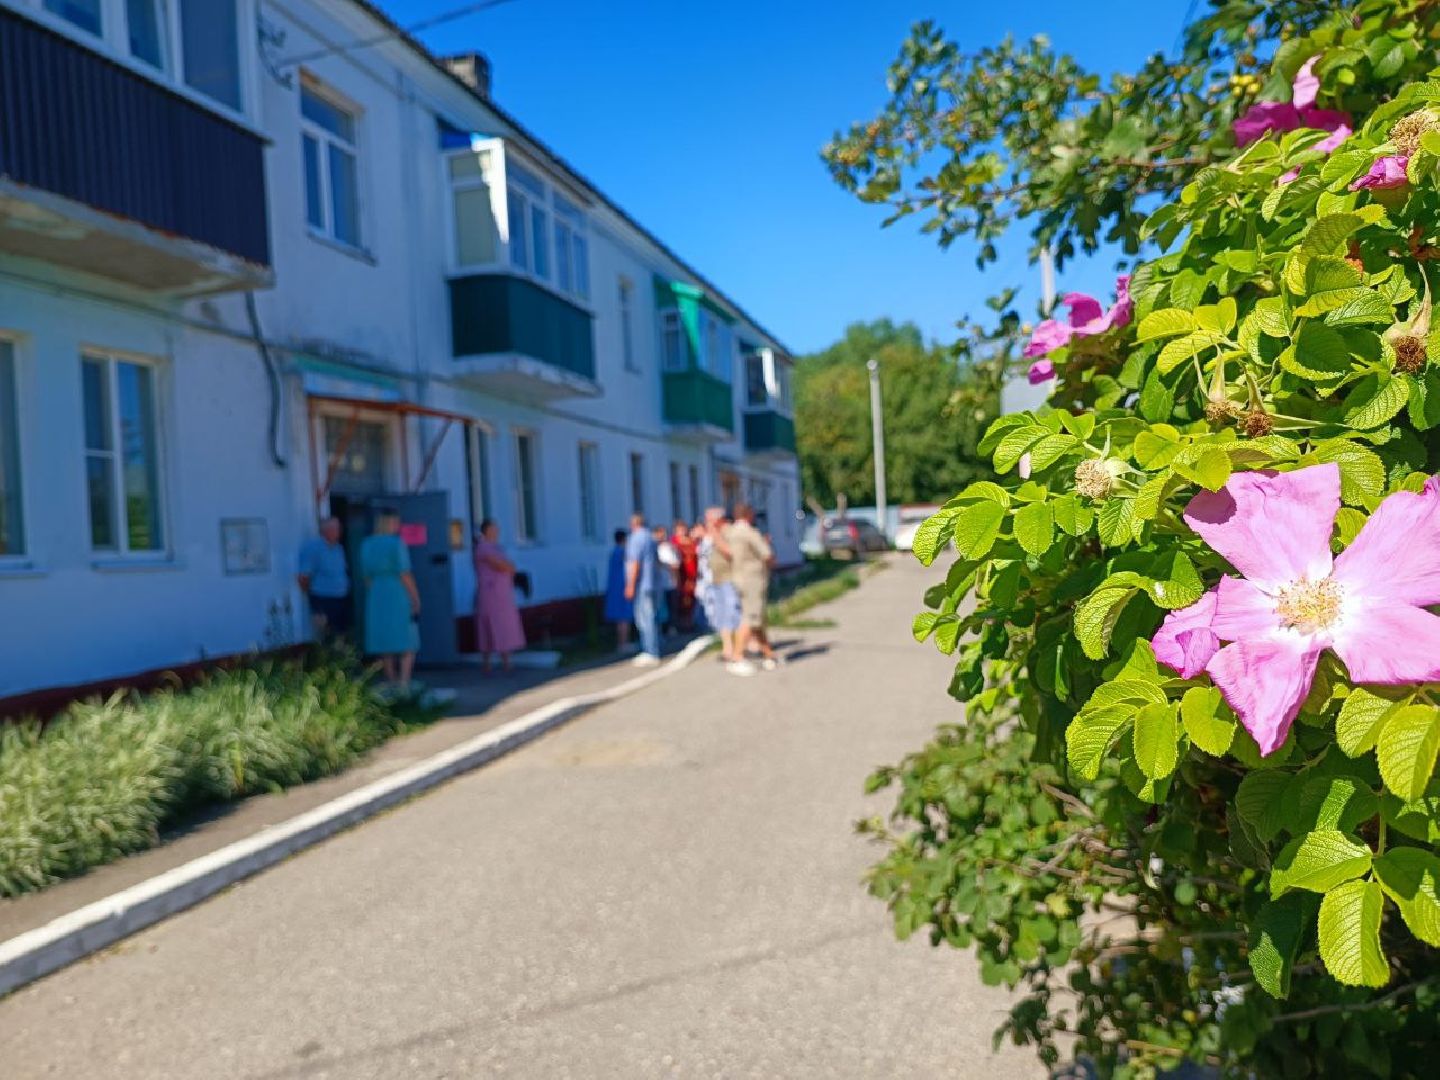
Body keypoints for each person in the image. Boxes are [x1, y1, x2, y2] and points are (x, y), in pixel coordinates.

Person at [359, 508, 420, 690]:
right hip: (397, 591)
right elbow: (404, 573)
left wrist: (376, 591)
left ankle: (391, 679)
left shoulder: (367, 544)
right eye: (396, 522)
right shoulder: (397, 543)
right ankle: (404, 681)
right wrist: (415, 597)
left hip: (377, 593)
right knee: (408, 637)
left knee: (384, 638)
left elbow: (366, 576)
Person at [727, 502, 778, 674]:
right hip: (753, 579)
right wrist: (772, 561)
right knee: (751, 618)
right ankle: (737, 656)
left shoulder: (732, 532)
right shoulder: (749, 532)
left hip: (739, 577)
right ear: (748, 515)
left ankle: (769, 654)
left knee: (758, 619)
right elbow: (766, 554)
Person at [473, 519, 526, 673]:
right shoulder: (483, 547)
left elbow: (509, 565)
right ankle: (487, 664)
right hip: (490, 593)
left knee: (503, 626)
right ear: (487, 531)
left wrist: (509, 566)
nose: (497, 531)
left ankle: (506, 662)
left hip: (502, 594)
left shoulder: (496, 547)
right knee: (489, 626)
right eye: (494, 529)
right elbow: (501, 565)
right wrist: (508, 566)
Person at [700, 507, 745, 672]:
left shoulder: (729, 531)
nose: (706, 522)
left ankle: (739, 649)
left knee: (733, 614)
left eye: (709, 519)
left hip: (729, 579)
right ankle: (727, 648)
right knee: (721, 616)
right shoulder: (715, 534)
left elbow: (729, 552)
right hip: (716, 579)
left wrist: (714, 535)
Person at [297, 516, 351, 639]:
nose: (338, 531)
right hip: (322, 599)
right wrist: (312, 594)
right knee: (324, 633)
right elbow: (303, 576)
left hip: (340, 598)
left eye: (338, 528)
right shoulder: (313, 548)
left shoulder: (339, 549)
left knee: (341, 633)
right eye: (335, 528)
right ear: (325, 530)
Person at [624, 513, 661, 667]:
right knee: (651, 616)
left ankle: (650, 650)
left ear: (633, 524)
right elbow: (656, 561)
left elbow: (635, 563)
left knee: (644, 619)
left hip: (641, 584)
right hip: (652, 583)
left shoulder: (635, 539)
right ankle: (654, 646)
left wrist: (630, 585)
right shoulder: (651, 538)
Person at [603, 528, 634, 652]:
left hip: (614, 589)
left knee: (619, 618)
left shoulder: (613, 552)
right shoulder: (623, 552)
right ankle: (624, 643)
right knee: (624, 617)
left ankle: (621, 643)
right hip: (622, 588)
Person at [671, 519, 698, 631]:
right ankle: (681, 625)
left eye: (683, 529)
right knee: (681, 601)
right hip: (681, 575)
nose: (682, 532)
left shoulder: (691, 541)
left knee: (691, 600)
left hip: (692, 575)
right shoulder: (674, 542)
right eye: (680, 530)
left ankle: (689, 623)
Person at [654, 523, 679, 635]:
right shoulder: (654, 548)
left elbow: (675, 565)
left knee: (671, 606)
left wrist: (664, 565)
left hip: (669, 582)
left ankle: (671, 627)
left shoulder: (669, 548)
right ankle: (661, 629)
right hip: (658, 584)